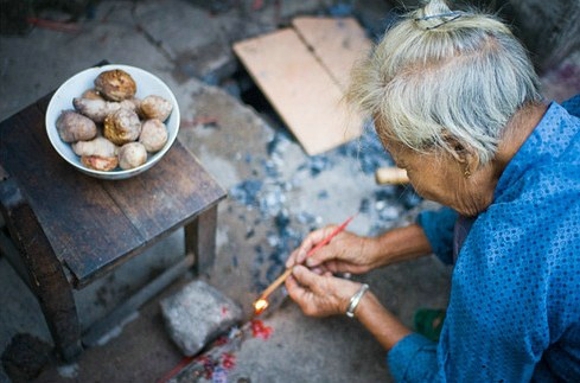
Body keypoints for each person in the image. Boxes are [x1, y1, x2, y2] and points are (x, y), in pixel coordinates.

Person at [284, 0, 580, 381]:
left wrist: (359, 302)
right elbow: (488, 188)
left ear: (460, 150)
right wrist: (375, 250)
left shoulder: (505, 264)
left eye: (405, 165)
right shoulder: (562, 121)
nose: (405, 177)